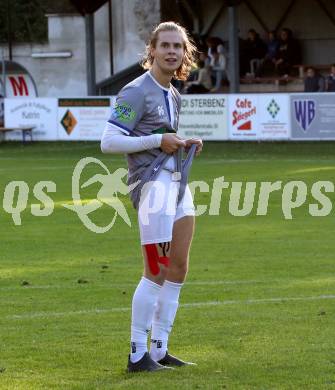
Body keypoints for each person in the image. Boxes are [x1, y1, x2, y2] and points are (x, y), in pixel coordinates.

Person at [101, 21, 203, 373]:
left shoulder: (172, 92)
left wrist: (182, 142)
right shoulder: (135, 91)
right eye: (166, 46)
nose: (172, 52)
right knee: (156, 269)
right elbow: (109, 141)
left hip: (176, 184)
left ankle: (159, 349)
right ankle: (136, 354)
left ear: (183, 52)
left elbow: (162, 137)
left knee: (178, 267)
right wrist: (159, 141)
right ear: (153, 50)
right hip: (152, 188)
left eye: (178, 46)